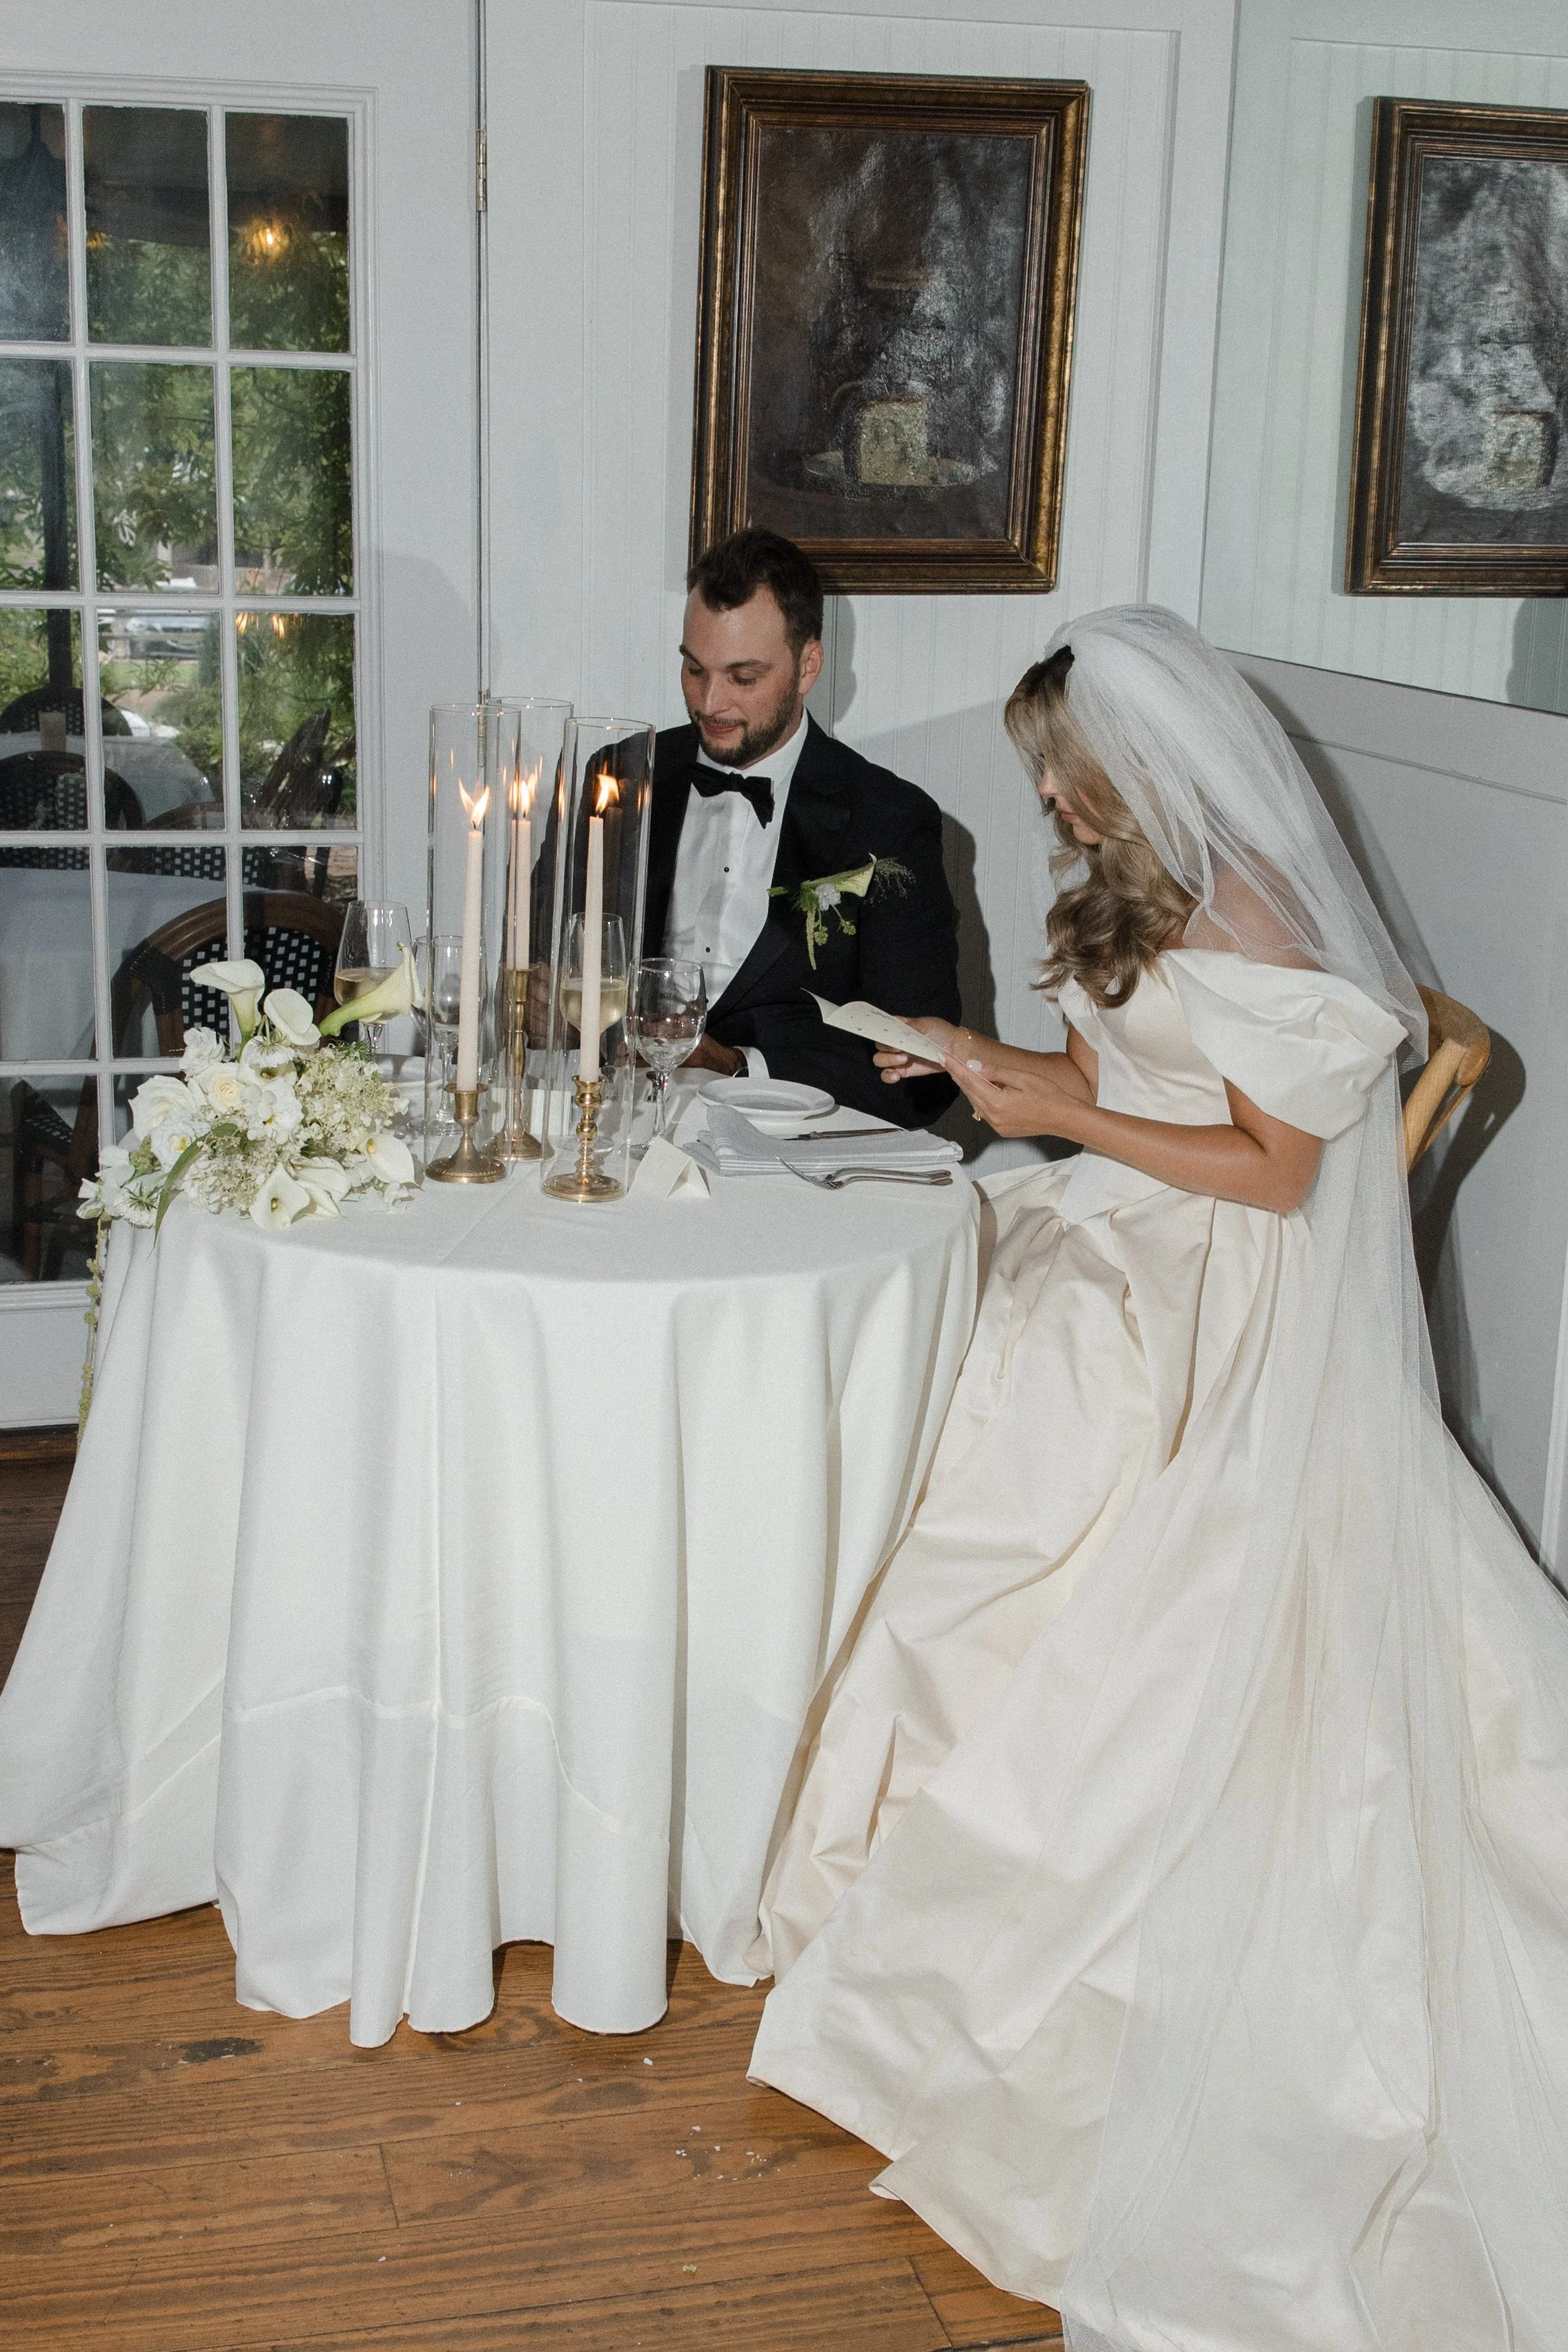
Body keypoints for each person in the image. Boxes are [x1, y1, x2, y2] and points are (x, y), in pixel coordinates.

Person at [747, 607, 1568, 2351]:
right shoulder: (1139, 873)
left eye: (1065, 768)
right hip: (1130, 1219)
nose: (1045, 794)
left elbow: (1271, 1173)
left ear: (1148, 760)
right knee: (961, 1311)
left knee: (1029, 1372)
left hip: (1219, 1276)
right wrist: (978, 1064)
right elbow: (1118, 1081)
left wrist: (1049, 1111)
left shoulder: (1254, 900)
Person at [647, 528, 960, 1124]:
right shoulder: (621, 777)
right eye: (693, 670)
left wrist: (741, 1066)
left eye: (743, 678)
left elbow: (923, 1076)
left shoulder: (889, 822)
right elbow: (549, 974)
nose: (710, 702)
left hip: (795, 1149)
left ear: (808, 665)